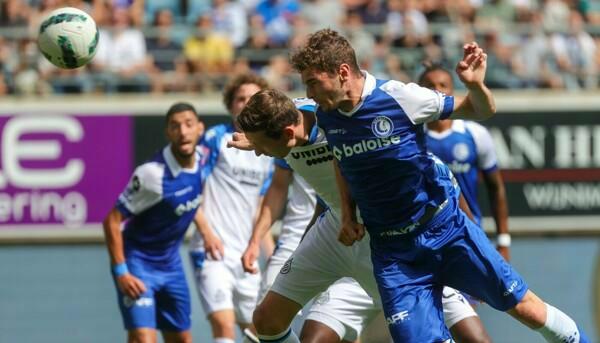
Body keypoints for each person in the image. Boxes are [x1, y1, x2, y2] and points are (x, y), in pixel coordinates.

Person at [289, 28, 590, 342]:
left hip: (445, 231)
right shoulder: (326, 115)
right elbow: (341, 158)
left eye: (312, 82)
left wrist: (475, 86)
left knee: (524, 307)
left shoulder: (400, 97)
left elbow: (481, 110)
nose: (309, 93)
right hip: (393, 254)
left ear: (343, 72)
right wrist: (348, 215)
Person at [232, 94, 491, 343]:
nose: (258, 153)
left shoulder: (347, 128)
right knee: (267, 319)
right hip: (335, 233)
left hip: (385, 243)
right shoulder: (284, 122)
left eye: (261, 146)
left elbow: (438, 174)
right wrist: (257, 141)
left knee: (440, 333)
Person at [102, 102, 204, 343]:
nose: (183, 131)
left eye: (189, 124)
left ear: (200, 128)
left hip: (171, 266)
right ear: (168, 133)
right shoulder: (151, 174)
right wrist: (122, 272)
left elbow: (191, 200)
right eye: (175, 126)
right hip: (138, 264)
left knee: (182, 339)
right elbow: (112, 221)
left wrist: (207, 231)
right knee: (143, 338)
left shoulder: (205, 160)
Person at [188, 73, 274, 343]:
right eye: (240, 98)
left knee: (262, 331)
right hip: (213, 251)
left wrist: (269, 251)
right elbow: (190, 191)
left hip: (246, 255)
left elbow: (261, 206)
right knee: (224, 328)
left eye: (253, 98)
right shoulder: (215, 138)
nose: (246, 103)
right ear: (230, 105)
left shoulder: (268, 152)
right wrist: (207, 234)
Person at [420, 63, 511, 260]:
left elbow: (495, 188)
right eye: (429, 86)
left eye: (442, 85)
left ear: (452, 91)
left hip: (468, 236)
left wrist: (503, 241)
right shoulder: (410, 138)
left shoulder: (475, 134)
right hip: (425, 240)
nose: (436, 90)